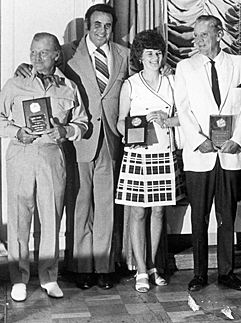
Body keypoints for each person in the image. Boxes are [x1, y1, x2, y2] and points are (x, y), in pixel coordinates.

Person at [15, 3, 130, 290]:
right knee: (80, 203)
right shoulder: (66, 52)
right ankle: (80, 267)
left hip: (110, 138)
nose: (102, 30)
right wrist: (25, 68)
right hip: (77, 140)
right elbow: (41, 65)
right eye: (97, 24)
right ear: (87, 26)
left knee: (105, 204)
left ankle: (103, 266)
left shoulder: (123, 55)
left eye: (107, 25)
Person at [0, 32, 88, 302]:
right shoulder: (15, 83)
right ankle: (19, 279)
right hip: (22, 154)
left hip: (52, 155)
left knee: (51, 217)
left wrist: (66, 129)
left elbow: (83, 124)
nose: (37, 58)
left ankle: (49, 278)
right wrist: (16, 132)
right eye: (33, 52)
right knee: (19, 218)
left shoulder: (68, 87)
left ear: (56, 55)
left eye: (43, 52)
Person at [175, 15, 241, 292]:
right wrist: (199, 141)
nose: (198, 41)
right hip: (200, 155)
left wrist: (237, 140)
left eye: (204, 36)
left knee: (226, 216)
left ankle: (226, 272)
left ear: (219, 34)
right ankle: (199, 273)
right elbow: (182, 109)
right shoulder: (184, 67)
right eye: (195, 36)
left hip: (231, 154)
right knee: (199, 216)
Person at [115, 30, 183, 293]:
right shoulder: (130, 84)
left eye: (158, 53)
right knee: (139, 211)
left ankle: (154, 265)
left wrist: (165, 119)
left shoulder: (173, 82)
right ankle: (141, 269)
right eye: (149, 54)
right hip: (138, 154)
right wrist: (131, 132)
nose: (155, 58)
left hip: (164, 153)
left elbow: (184, 117)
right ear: (140, 57)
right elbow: (121, 120)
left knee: (158, 211)